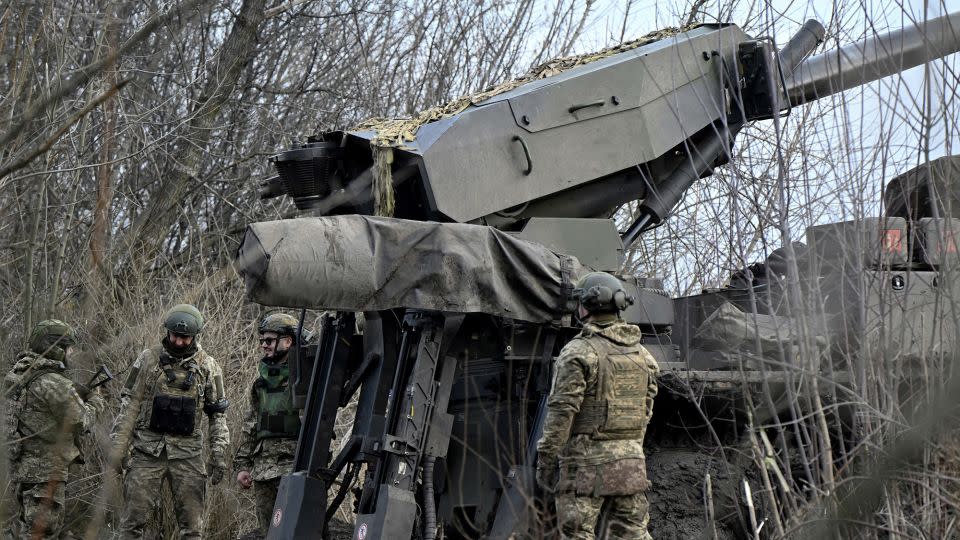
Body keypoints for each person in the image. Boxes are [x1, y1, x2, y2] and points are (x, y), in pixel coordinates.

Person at [535, 272, 659, 540]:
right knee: (633, 534)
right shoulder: (644, 356)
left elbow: (561, 413)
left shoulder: (578, 352)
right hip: (630, 465)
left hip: (584, 468)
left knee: (577, 534)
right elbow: (645, 412)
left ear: (586, 306)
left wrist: (545, 462)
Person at [112, 304, 230, 539]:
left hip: (188, 456)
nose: (178, 342)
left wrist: (219, 455)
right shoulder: (148, 360)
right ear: (167, 332)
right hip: (147, 452)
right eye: (175, 336)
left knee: (192, 529)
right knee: (131, 524)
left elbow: (217, 415)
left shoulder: (208, 366)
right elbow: (129, 407)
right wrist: (118, 445)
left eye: (185, 338)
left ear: (195, 336)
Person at [3, 319, 104, 539]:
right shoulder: (54, 383)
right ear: (56, 349)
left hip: (22, 468)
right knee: (42, 531)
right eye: (68, 348)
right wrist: (96, 400)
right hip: (46, 470)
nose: (71, 353)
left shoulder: (19, 373)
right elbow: (81, 420)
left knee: (25, 529)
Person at [234, 313, 302, 538]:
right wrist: (243, 465)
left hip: (294, 467)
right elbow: (251, 424)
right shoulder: (260, 382)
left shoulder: (305, 378)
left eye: (269, 340)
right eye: (262, 340)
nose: (264, 345)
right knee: (270, 533)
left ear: (288, 341)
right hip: (263, 470)